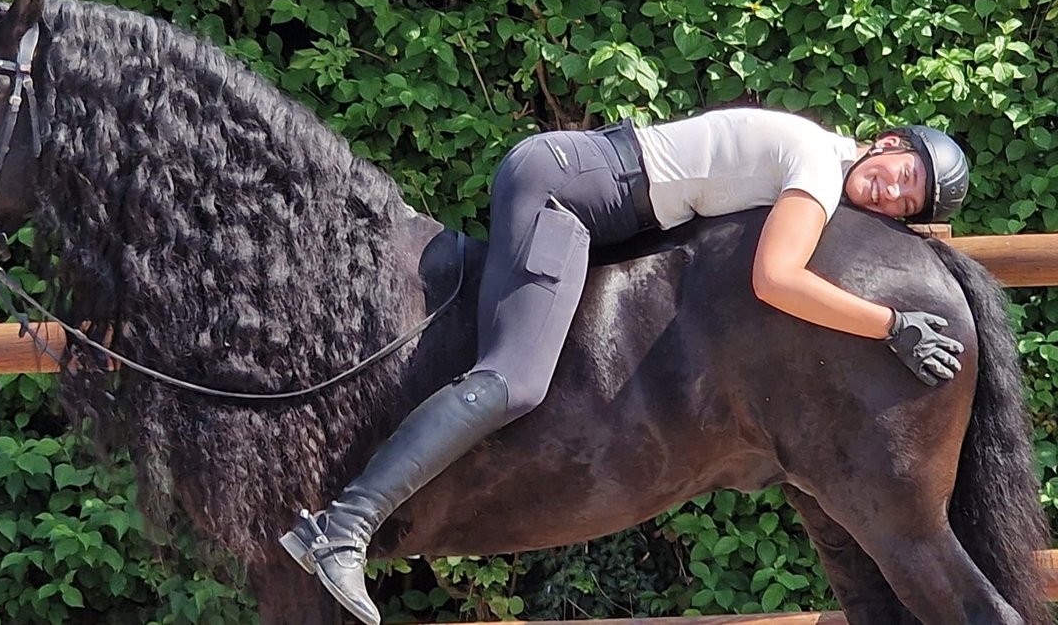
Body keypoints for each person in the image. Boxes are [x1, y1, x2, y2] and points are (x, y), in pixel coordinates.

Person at [280, 107, 970, 624]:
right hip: (563, 190)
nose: (889, 196)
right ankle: (344, 526)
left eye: (906, 205)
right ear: (887, 142)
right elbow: (774, 278)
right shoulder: (818, 165)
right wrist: (890, 323)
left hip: (586, 194)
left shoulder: (814, 156)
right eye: (901, 175)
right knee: (515, 379)